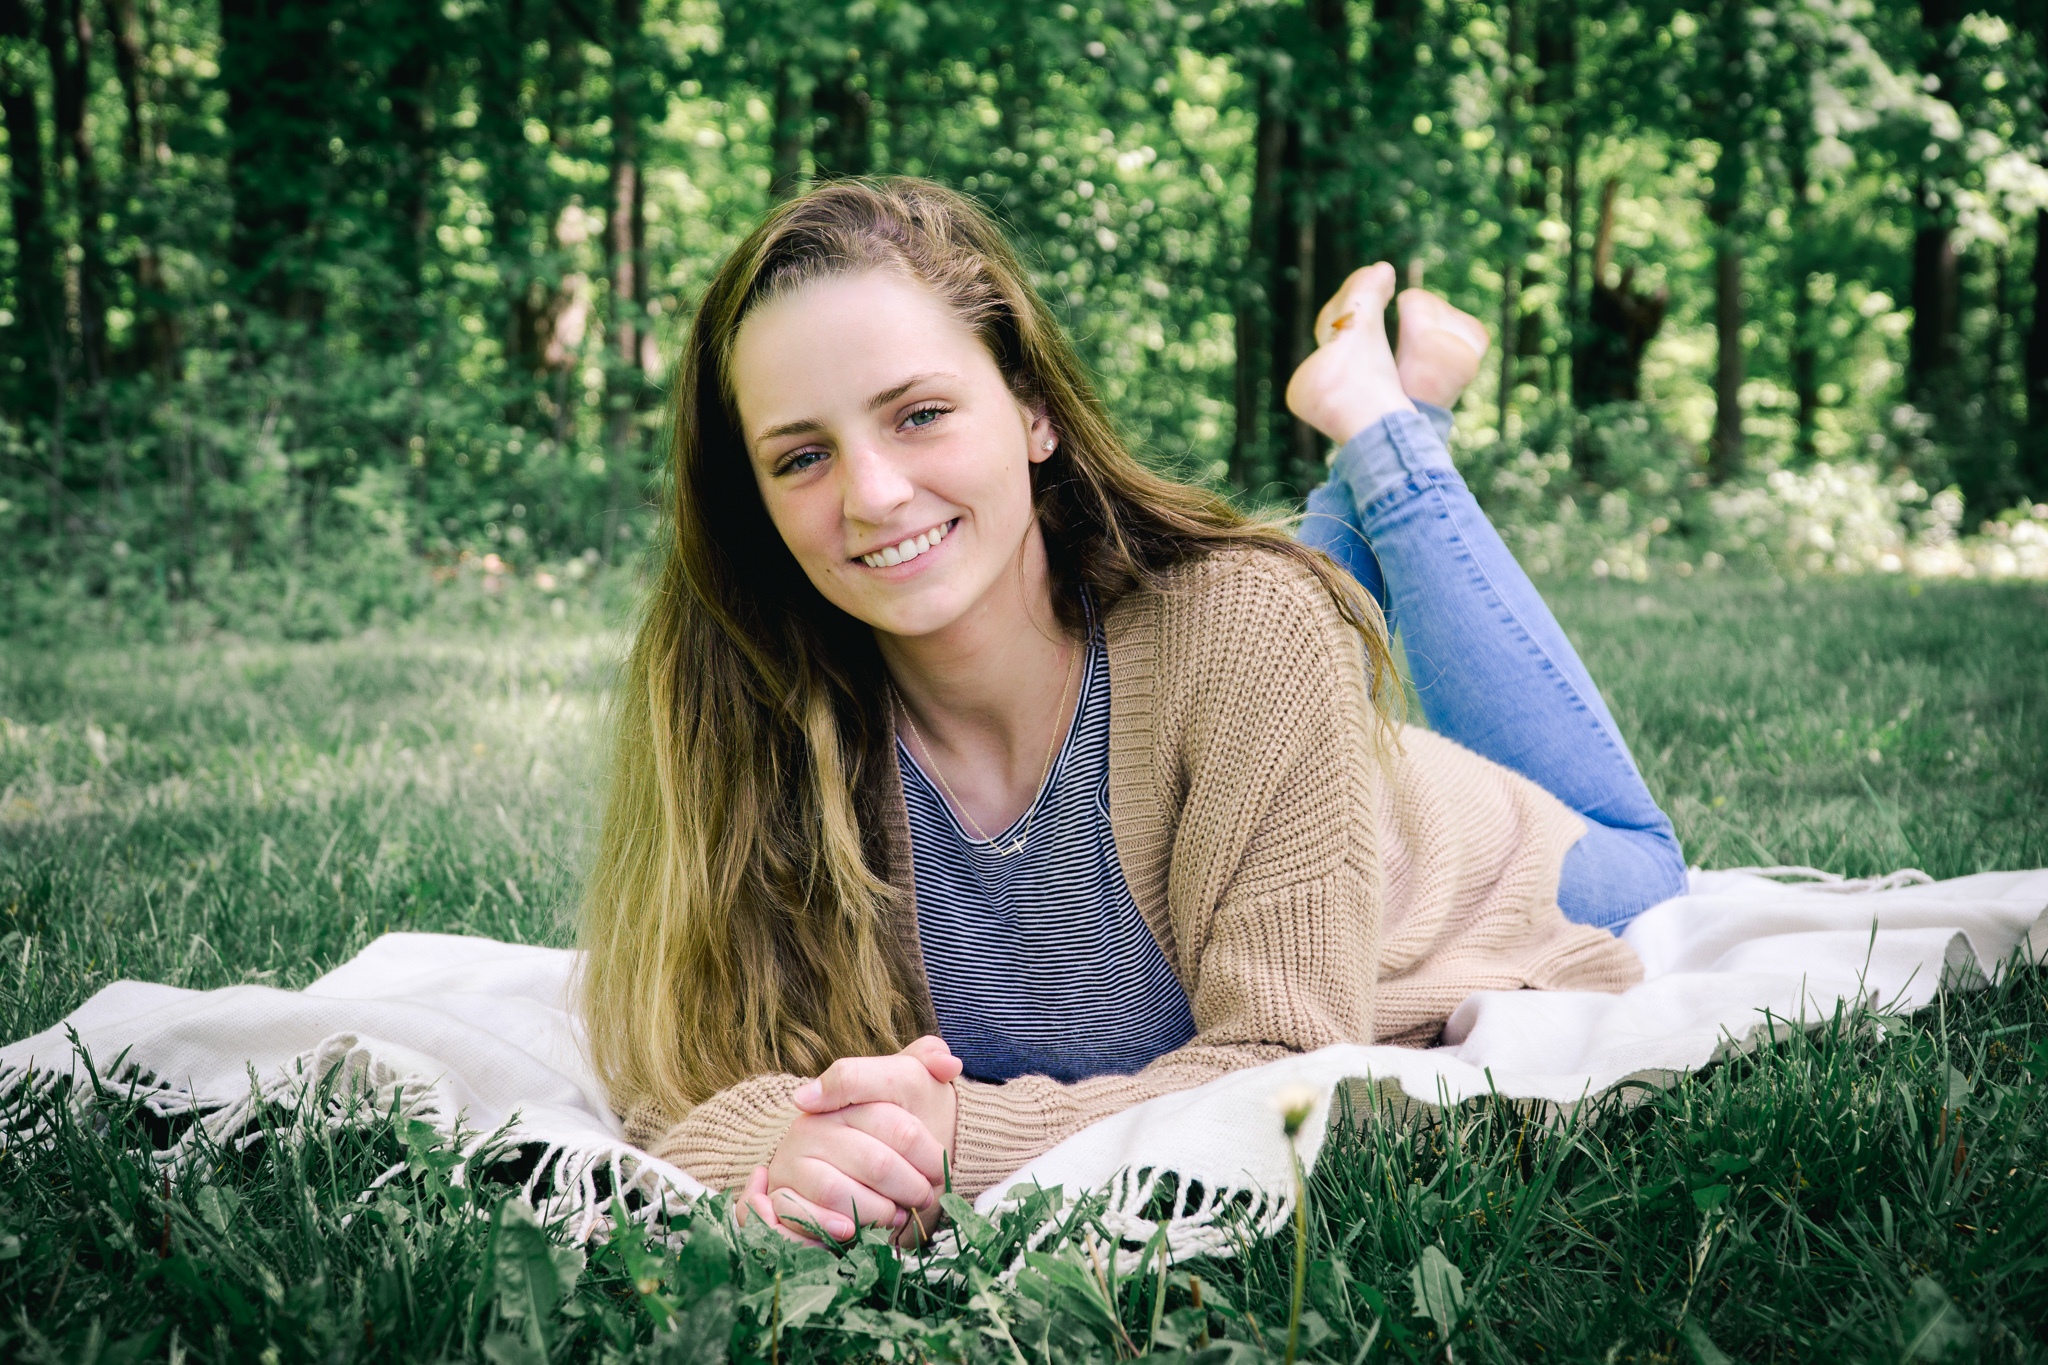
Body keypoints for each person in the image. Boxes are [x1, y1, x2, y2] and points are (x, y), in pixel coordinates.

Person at [578, 178, 1686, 1247]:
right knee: (1268, 614)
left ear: (1035, 412)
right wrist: (792, 1147)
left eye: (919, 414)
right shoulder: (744, 706)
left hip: (1479, 864)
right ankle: (1396, 398)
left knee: (1641, 853)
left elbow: (1285, 1070)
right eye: (802, 457)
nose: (871, 493)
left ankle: (1390, 428)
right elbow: (675, 1082)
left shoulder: (1245, 629)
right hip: (1256, 741)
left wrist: (958, 1140)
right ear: (755, 501)